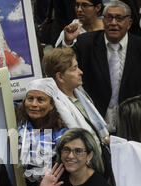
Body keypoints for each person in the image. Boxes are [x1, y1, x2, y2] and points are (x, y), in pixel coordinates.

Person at [73, 0, 141, 133]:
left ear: (129, 23)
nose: (113, 23)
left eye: (119, 18)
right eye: (109, 18)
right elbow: (63, 65)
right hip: (95, 122)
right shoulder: (85, 43)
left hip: (133, 124)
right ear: (103, 21)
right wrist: (68, 42)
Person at [42, 48, 112, 179]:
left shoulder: (81, 94)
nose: (80, 72)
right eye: (74, 69)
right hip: (81, 172)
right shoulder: (56, 108)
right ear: (60, 76)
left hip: (101, 161)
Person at [16, 78, 67, 186]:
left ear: (52, 105)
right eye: (30, 99)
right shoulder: (19, 128)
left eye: (40, 100)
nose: (34, 104)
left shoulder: (62, 133)